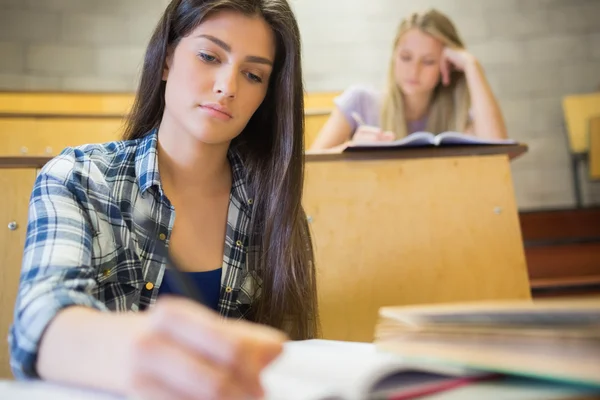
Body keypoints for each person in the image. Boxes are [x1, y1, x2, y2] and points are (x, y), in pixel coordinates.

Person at [9, 0, 318, 398]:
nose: (227, 87)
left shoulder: (272, 208)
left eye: (253, 75)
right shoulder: (78, 179)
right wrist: (135, 351)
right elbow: (39, 322)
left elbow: (285, 361)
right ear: (167, 59)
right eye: (209, 56)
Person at [310, 8, 508, 151]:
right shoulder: (360, 101)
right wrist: (351, 148)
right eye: (406, 57)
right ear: (393, 56)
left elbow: (499, 154)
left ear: (446, 65)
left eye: (429, 61)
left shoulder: (460, 113)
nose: (414, 71)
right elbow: (309, 168)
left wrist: (471, 65)